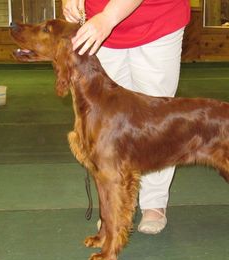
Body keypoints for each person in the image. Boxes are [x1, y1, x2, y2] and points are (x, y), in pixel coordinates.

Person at [63, 0, 190, 234]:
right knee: (108, 131)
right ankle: (115, 207)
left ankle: (154, 203)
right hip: (99, 28)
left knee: (156, 120)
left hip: (157, 20)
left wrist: (108, 18)